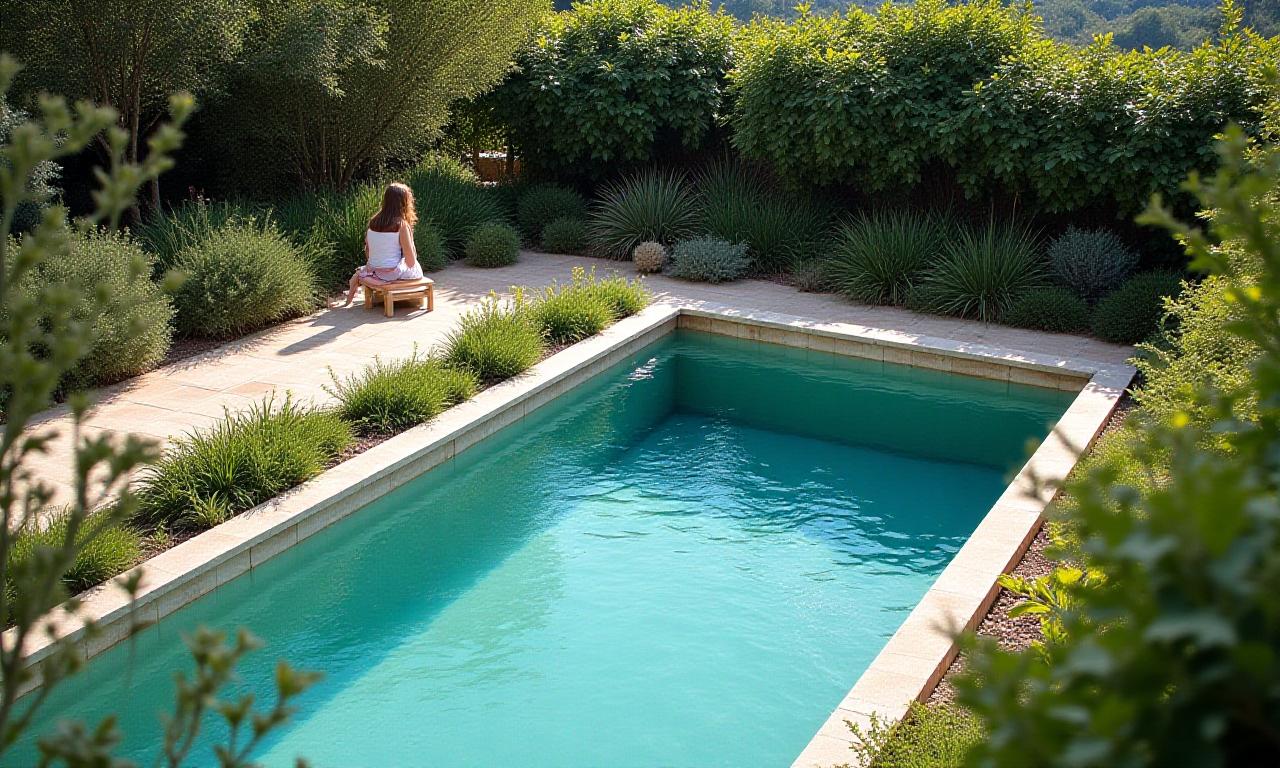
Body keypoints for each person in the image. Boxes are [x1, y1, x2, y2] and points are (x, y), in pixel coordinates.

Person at [336, 182, 424, 307]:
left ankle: (362, 278)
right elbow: (411, 262)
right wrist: (411, 237)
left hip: (374, 268)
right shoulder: (402, 225)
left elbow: (368, 251)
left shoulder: (373, 221)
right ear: (404, 203)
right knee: (415, 269)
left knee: (389, 262)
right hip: (391, 273)